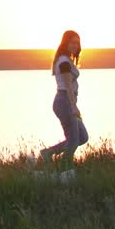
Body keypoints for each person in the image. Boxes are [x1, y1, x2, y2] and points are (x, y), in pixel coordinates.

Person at [36, 30, 88, 169]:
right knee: (73, 140)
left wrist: (74, 105)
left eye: (77, 43)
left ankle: (48, 153)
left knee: (82, 137)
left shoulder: (66, 59)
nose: (75, 45)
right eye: (72, 42)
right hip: (64, 101)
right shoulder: (64, 61)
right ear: (66, 43)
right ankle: (66, 167)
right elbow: (68, 87)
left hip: (68, 101)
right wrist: (74, 106)